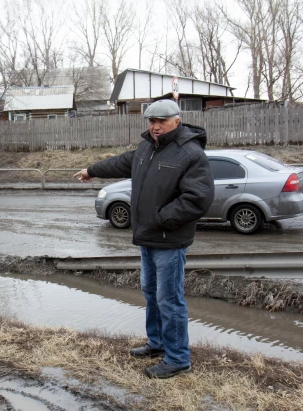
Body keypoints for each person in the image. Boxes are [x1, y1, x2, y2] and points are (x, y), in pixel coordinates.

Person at [74, 99, 214, 379]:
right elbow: (120, 163)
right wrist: (92, 170)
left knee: (169, 299)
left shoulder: (190, 153)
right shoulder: (146, 148)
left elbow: (198, 199)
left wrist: (161, 218)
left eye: (161, 121)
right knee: (151, 293)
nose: (155, 126)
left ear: (177, 120)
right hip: (148, 238)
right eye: (151, 121)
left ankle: (178, 359)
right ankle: (158, 343)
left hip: (169, 240)